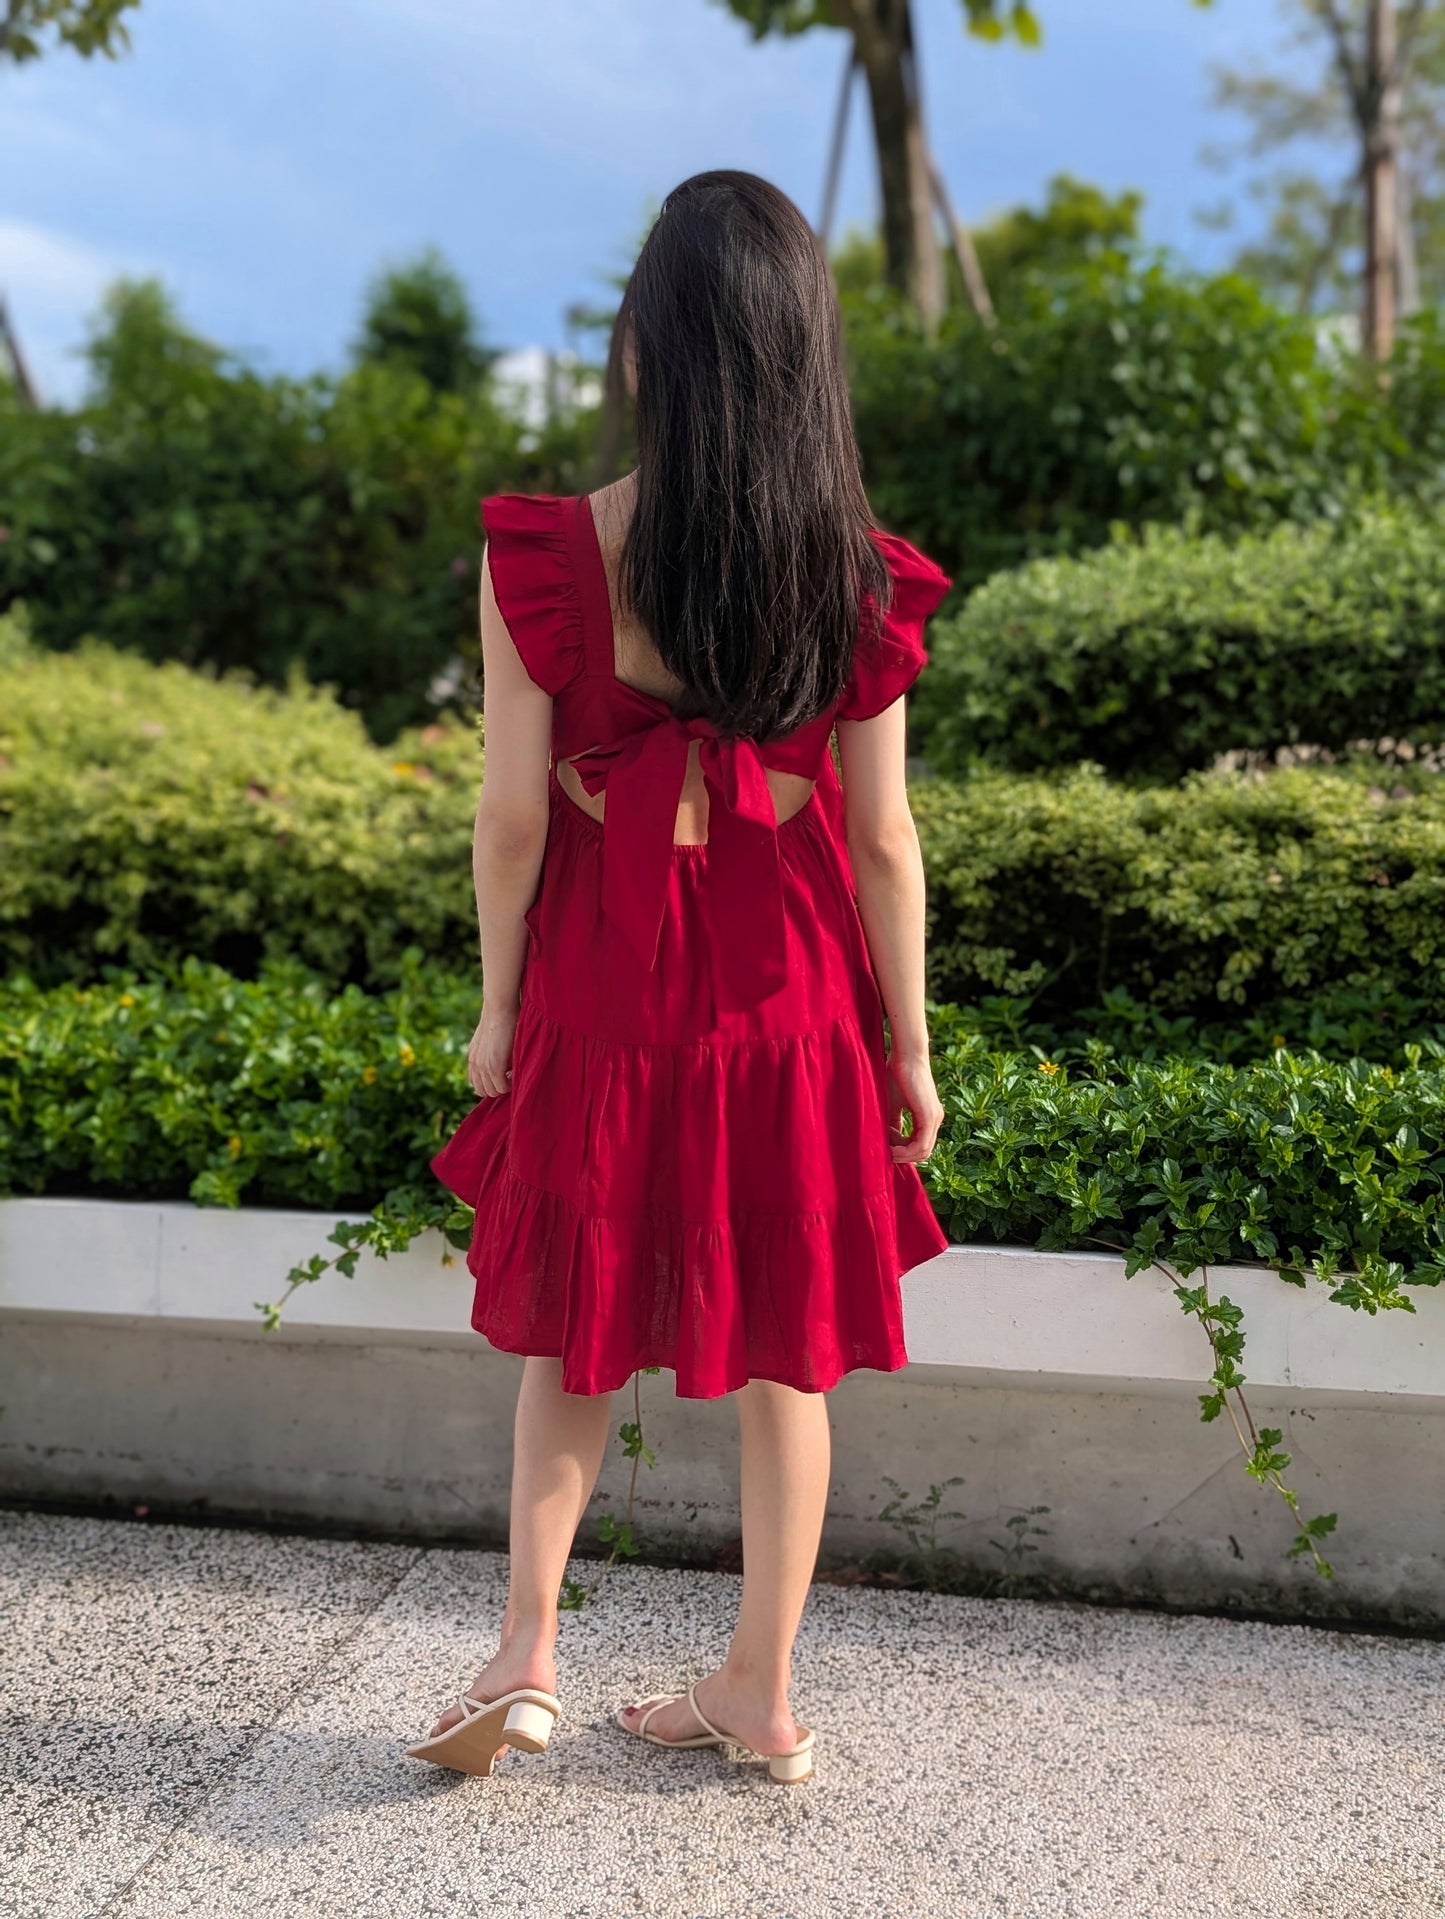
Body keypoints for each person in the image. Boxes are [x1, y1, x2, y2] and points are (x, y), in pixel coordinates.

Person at [408, 170, 951, 1788]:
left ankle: (524, 1651)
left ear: (644, 347)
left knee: (572, 1329)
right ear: (805, 355)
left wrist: (501, 1012)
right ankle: (760, 1693)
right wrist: (907, 1047)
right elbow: (882, 841)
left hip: (600, 973)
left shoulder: (551, 552)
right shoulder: (857, 573)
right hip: (784, 1000)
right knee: (787, 1349)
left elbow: (512, 819)